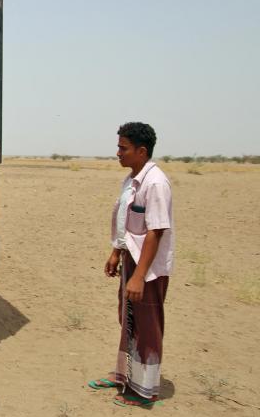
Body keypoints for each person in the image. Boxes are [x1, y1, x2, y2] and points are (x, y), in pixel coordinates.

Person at [89, 122, 175, 408]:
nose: (118, 153)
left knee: (147, 326)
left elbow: (156, 231)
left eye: (123, 148)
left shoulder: (156, 183)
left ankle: (145, 391)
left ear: (141, 151)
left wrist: (139, 276)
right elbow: (127, 223)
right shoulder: (131, 180)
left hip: (147, 270)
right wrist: (116, 252)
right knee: (128, 320)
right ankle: (124, 375)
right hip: (131, 262)